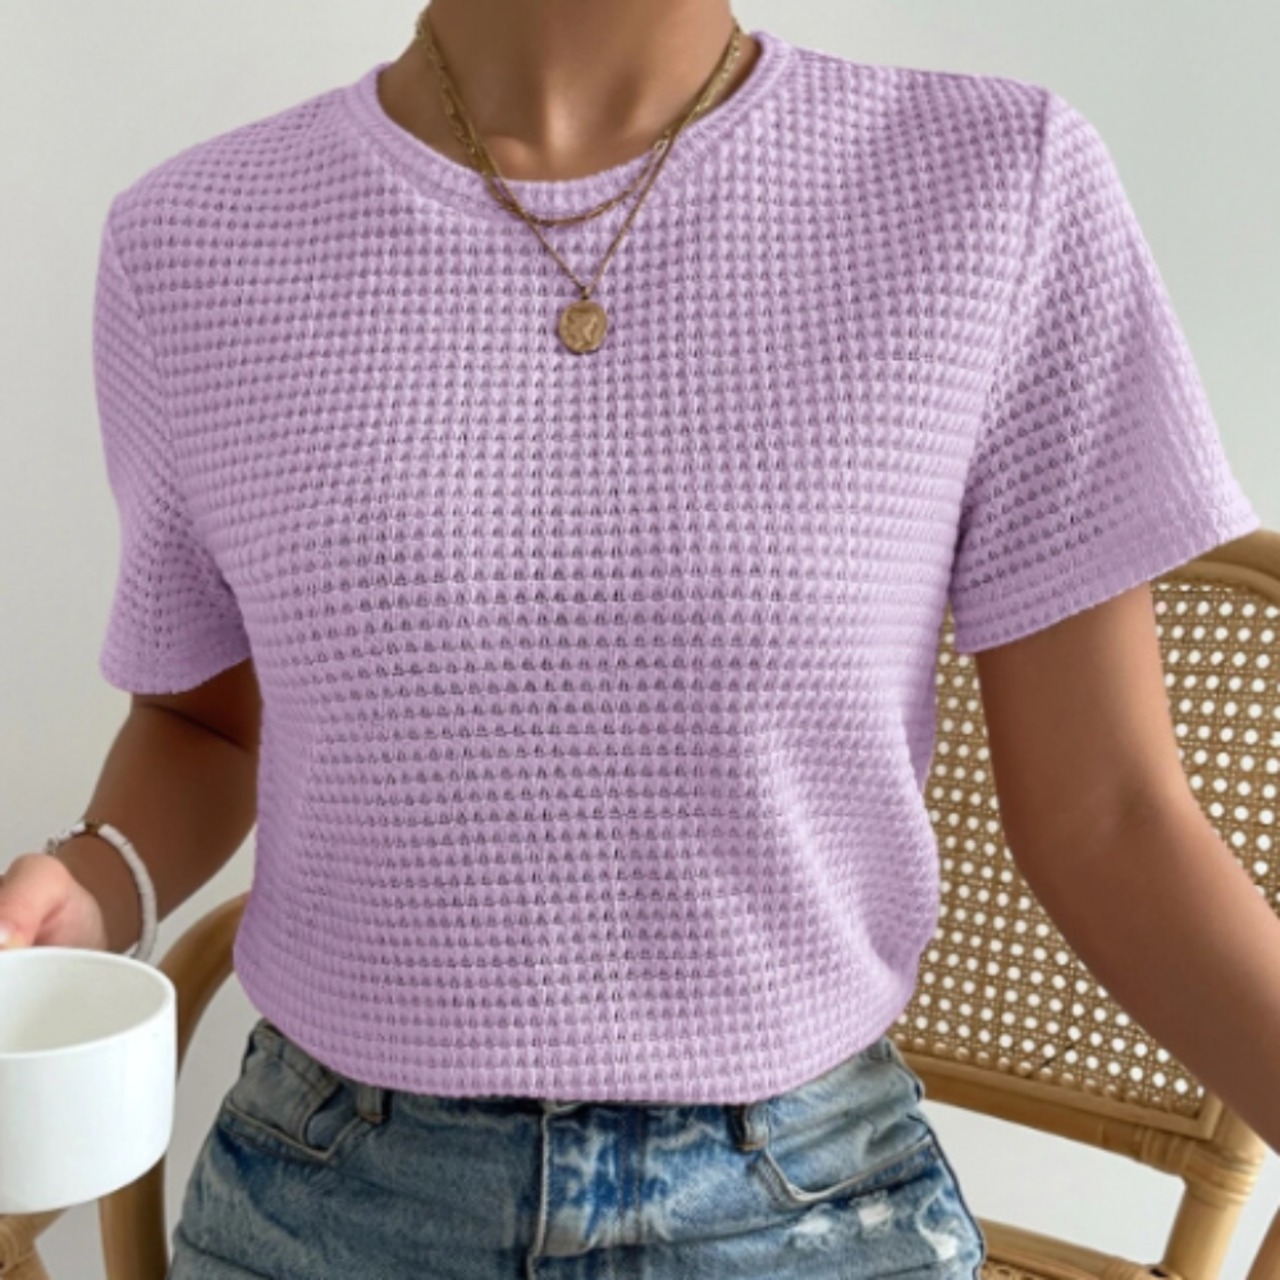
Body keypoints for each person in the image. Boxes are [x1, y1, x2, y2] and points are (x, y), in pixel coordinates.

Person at [2, 0, 1268, 1276]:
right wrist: (98, 878)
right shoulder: (189, 240)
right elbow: (204, 718)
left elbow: (1109, 812)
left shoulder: (995, 185)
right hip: (331, 1195)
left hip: (806, 1204)